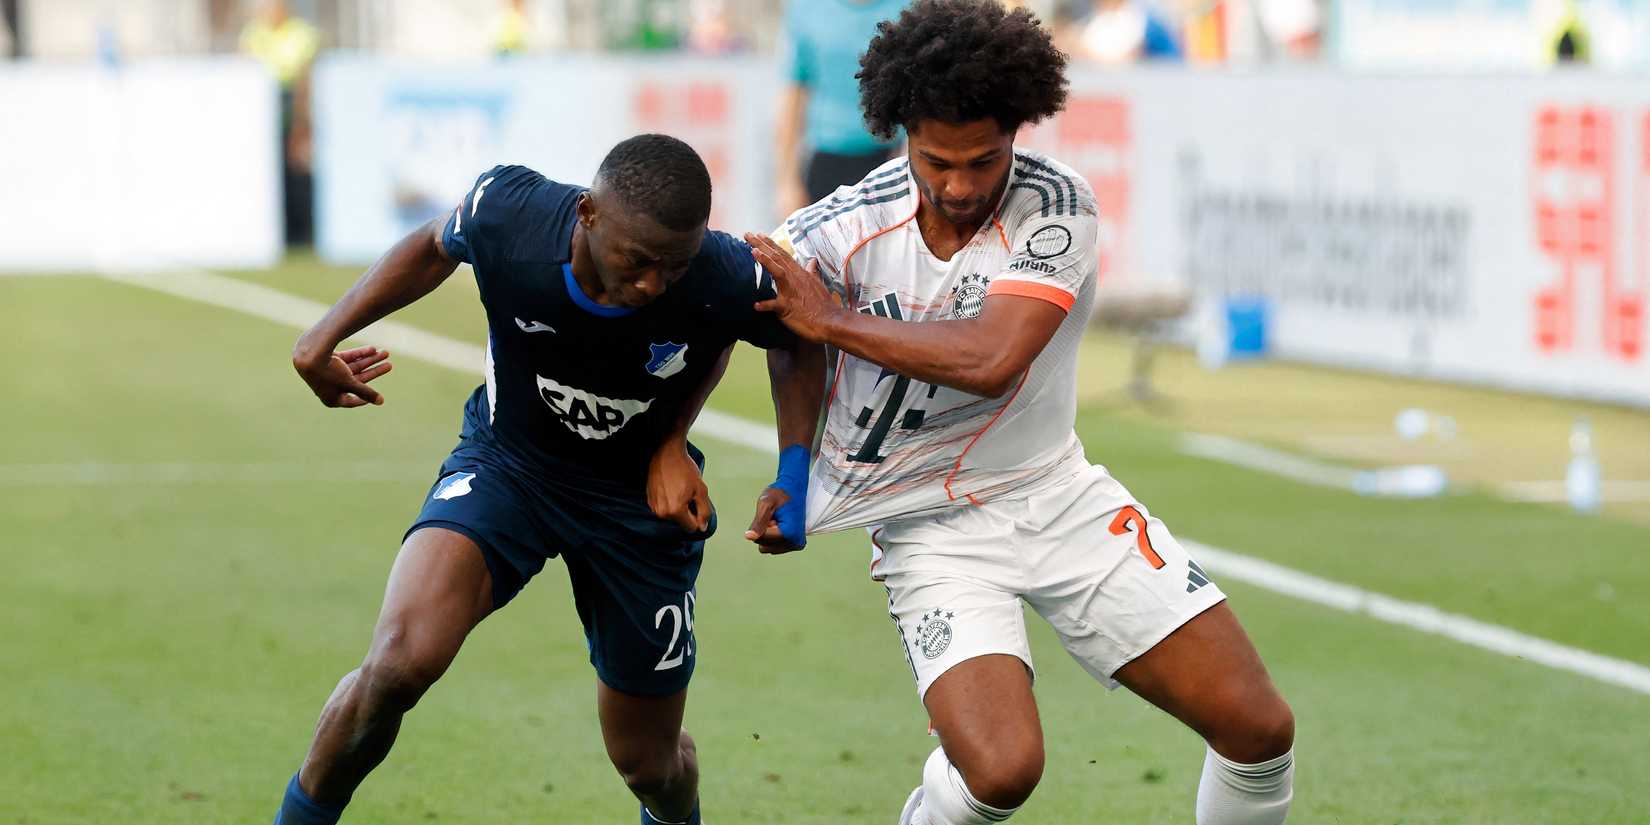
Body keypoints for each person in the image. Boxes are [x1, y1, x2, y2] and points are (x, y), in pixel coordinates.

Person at [743, 3, 1295, 823]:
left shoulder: (1055, 206)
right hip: (927, 525)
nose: (962, 185)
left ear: (1019, 130)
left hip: (1055, 493)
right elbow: (781, 337)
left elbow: (992, 360)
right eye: (938, 161)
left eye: (985, 159)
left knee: (1259, 727)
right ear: (900, 131)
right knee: (1002, 771)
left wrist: (832, 318)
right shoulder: (837, 230)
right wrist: (792, 467)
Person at [273, 134, 823, 825]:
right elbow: (434, 244)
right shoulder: (510, 215)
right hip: (511, 469)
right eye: (640, 261)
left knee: (649, 764)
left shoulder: (720, 271)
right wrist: (319, 337)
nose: (653, 284)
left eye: (673, 268)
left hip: (637, 510)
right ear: (589, 215)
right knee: (395, 664)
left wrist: (780, 470)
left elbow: (796, 334)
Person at [774, 0, 909, 217]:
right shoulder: (806, 9)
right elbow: (793, 98)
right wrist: (786, 181)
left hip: (890, 159)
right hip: (825, 160)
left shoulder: (907, 7)